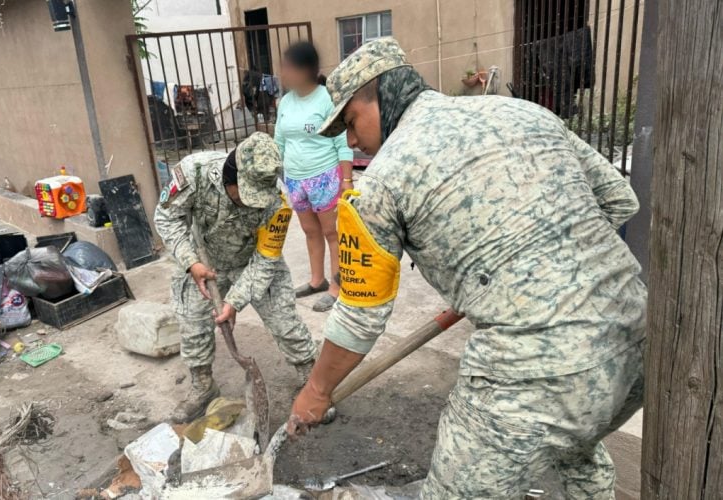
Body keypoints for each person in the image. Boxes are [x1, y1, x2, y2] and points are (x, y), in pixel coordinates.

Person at [287, 38, 647, 499]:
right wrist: (521, 268)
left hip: (534, 376)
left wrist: (316, 391)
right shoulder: (522, 113)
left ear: (380, 92)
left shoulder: (381, 181)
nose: (351, 141)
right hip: (634, 345)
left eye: (350, 122)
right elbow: (621, 200)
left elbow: (359, 315)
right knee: (578, 450)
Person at [155, 132, 318, 423]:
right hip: (203, 262)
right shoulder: (196, 172)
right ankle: (203, 387)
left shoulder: (277, 203)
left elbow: (266, 260)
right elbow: (166, 218)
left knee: (285, 322)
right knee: (192, 326)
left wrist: (235, 301)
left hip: (252, 262)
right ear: (230, 180)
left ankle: (313, 382)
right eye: (245, 195)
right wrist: (190, 262)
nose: (252, 204)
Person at [275, 41, 354, 312]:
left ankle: (336, 285)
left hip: (325, 178)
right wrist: (276, 173)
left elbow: (342, 142)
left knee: (333, 233)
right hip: (295, 180)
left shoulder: (326, 98)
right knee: (310, 232)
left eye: (287, 67)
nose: (282, 73)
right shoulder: (285, 101)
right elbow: (279, 141)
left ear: (306, 70)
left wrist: (346, 181)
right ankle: (317, 280)